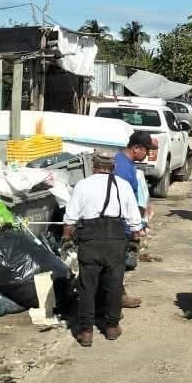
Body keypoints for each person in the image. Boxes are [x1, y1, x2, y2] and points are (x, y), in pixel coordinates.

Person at [63, 147, 143, 347]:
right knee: (114, 285)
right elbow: (134, 218)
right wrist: (135, 238)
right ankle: (112, 327)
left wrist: (66, 238)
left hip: (90, 239)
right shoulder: (123, 185)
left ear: (93, 165)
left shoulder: (83, 185)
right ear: (113, 166)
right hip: (115, 240)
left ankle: (86, 332)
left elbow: (70, 218)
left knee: (87, 287)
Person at [114, 131, 156, 219]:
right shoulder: (123, 169)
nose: (148, 154)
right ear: (136, 148)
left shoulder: (124, 160)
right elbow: (121, 202)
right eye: (146, 150)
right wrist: (141, 214)